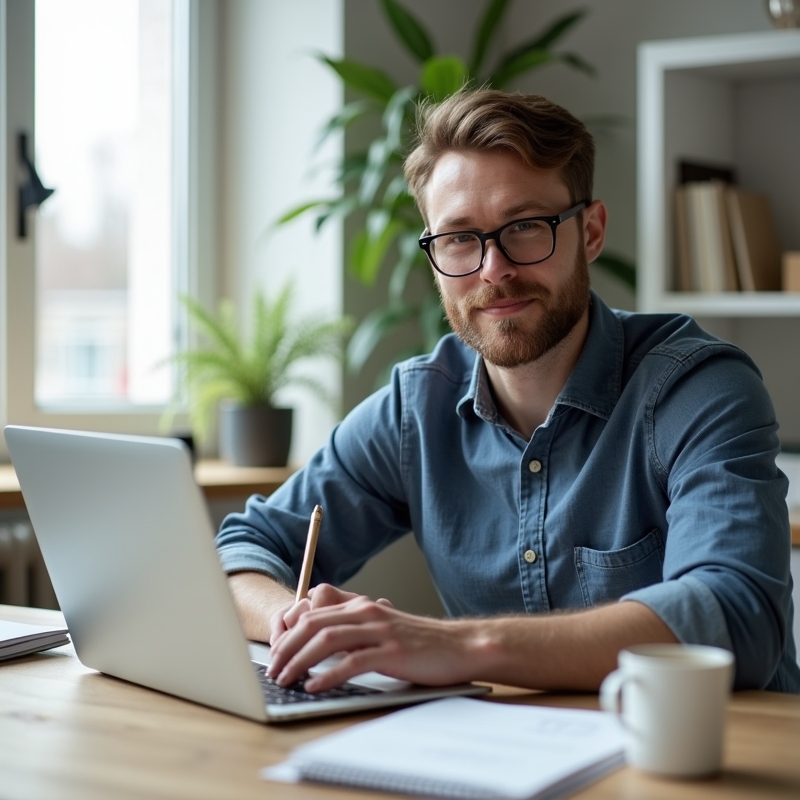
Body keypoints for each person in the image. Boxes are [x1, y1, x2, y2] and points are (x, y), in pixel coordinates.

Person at [216, 89, 800, 695]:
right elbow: (242, 548)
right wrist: (296, 623)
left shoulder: (699, 389)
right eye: (460, 238)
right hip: (506, 761)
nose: (493, 269)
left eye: (525, 227)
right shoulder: (416, 409)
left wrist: (453, 645)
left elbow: (736, 617)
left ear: (591, 231)